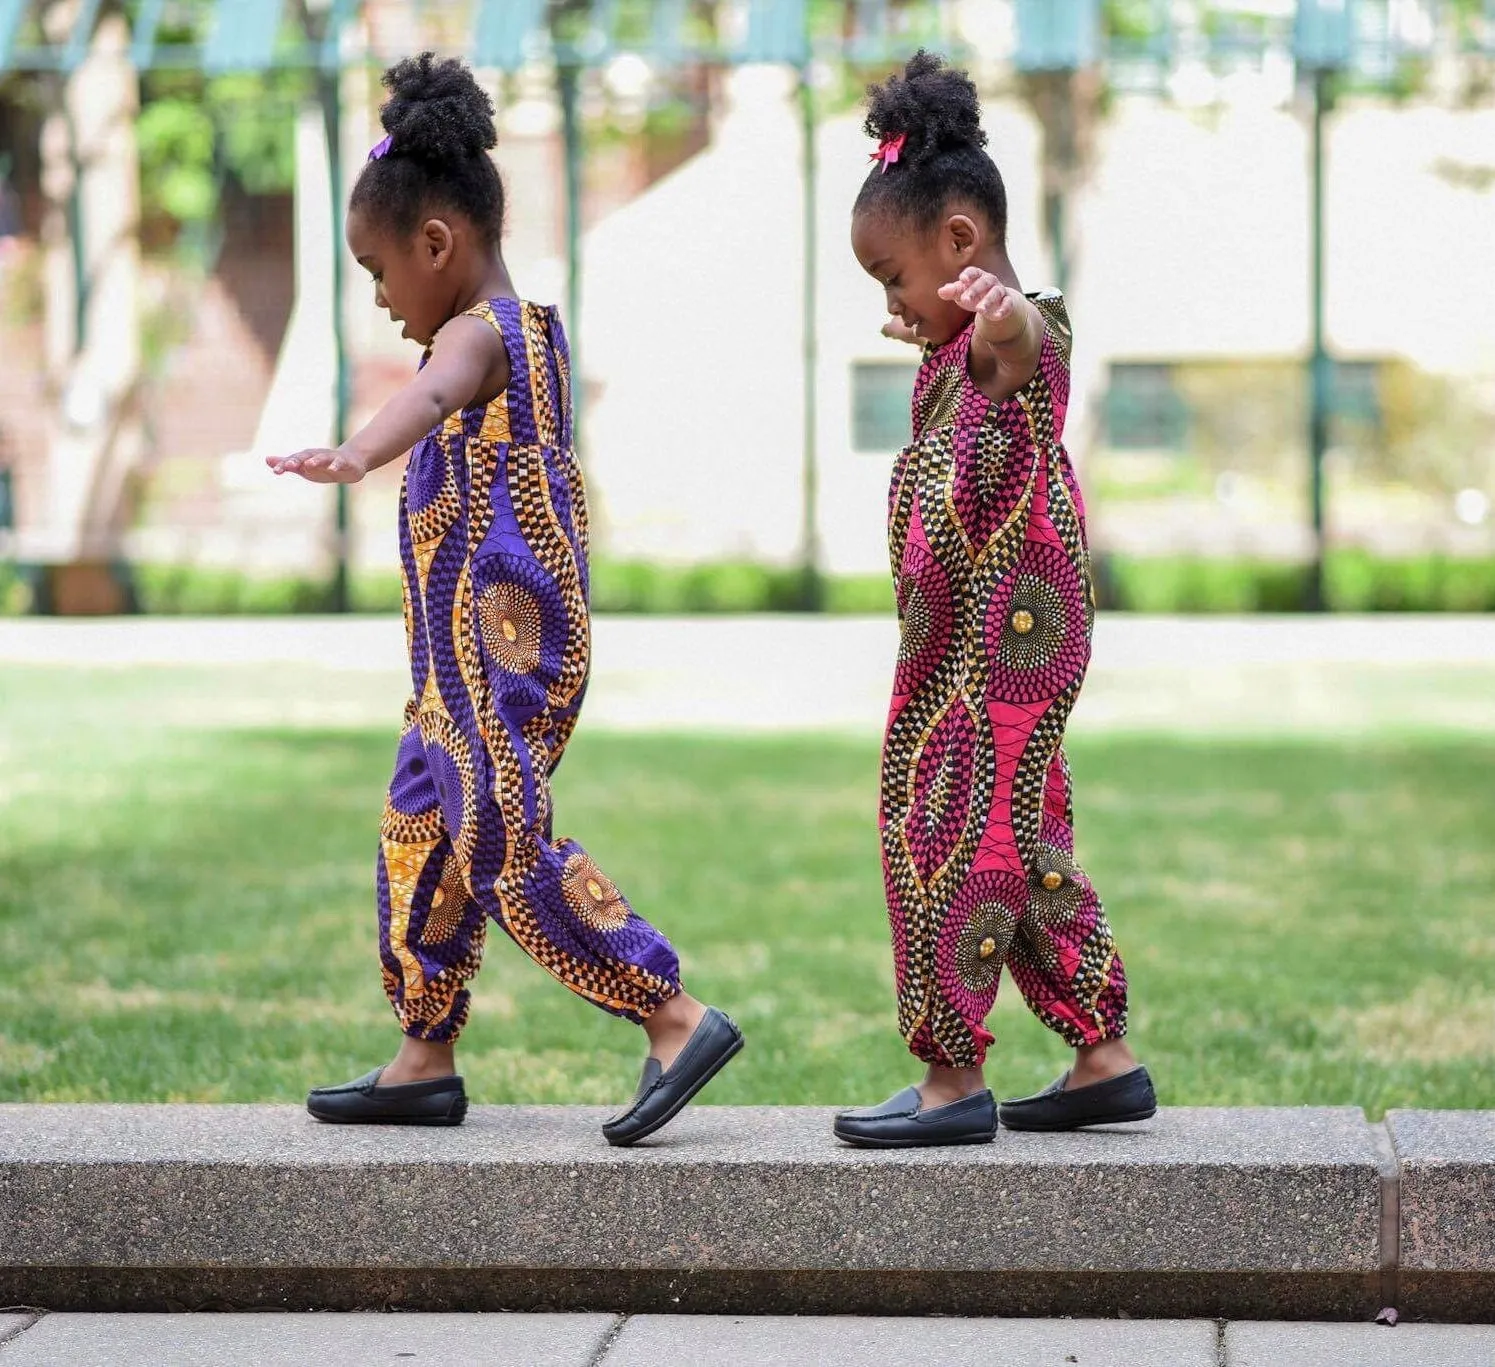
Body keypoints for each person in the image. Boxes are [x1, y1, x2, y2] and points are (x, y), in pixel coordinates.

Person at [269, 54, 741, 1143]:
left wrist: (357, 450)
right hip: (452, 671)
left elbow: (430, 388)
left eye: (378, 271)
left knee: (496, 837)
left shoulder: (482, 334)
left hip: (500, 656)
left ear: (438, 243)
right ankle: (422, 1054)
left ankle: (672, 1013)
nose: (380, 297)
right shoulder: (502, 331)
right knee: (417, 832)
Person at [833, 52, 1155, 1147]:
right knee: (1023, 832)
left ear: (961, 245)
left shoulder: (1020, 332)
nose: (893, 301)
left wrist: (996, 313)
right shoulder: (949, 352)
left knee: (945, 826)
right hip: (966, 642)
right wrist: (936, 329)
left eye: (893, 277)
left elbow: (1019, 345)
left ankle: (949, 1073)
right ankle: (1099, 1050)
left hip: (999, 649)